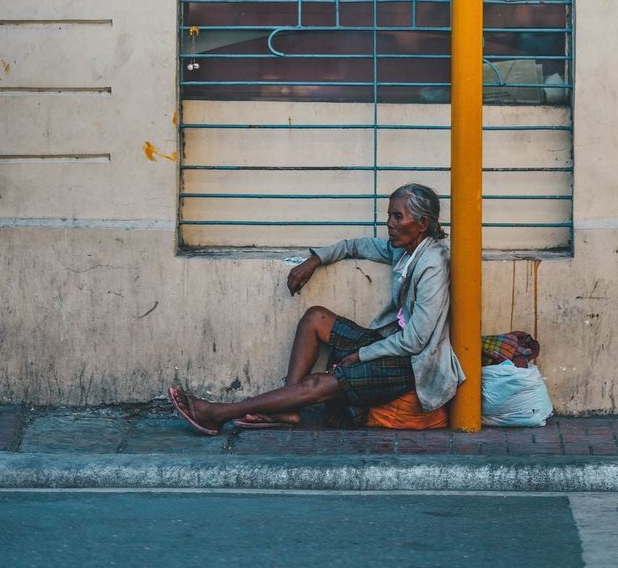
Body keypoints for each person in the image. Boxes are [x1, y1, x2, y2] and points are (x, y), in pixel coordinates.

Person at [168, 183, 464, 434]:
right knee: (315, 318)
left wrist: (360, 355)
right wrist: (315, 260)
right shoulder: (403, 248)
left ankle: (218, 413)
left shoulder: (433, 264)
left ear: (423, 224)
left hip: (413, 365)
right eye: (389, 215)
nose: (390, 223)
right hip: (392, 344)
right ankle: (287, 410)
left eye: (398, 217)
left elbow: (416, 340)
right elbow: (353, 246)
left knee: (319, 382)